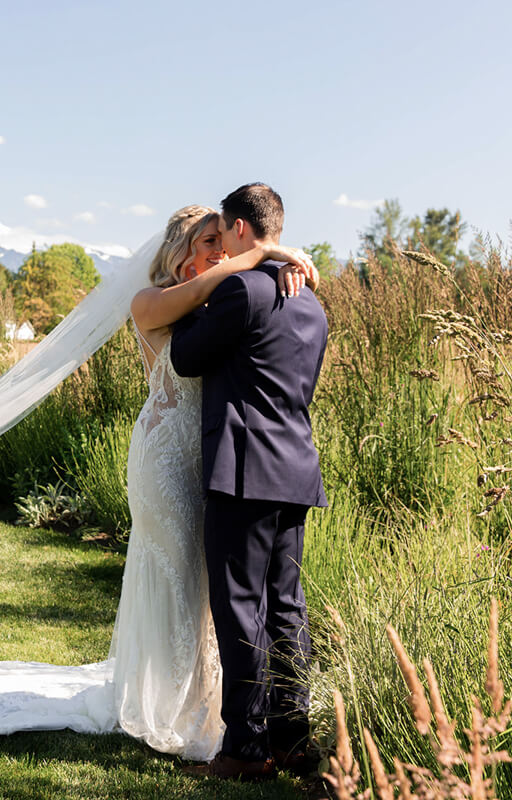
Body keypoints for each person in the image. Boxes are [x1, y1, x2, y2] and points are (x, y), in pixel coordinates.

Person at [0, 204, 317, 762]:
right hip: (165, 459)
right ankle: (168, 705)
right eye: (205, 241)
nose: (216, 250)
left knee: (208, 586)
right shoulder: (152, 301)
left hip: (212, 456)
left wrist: (274, 269)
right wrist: (264, 253)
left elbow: (244, 317)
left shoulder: (223, 296)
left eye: (220, 240)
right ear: (179, 250)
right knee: (177, 570)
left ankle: (209, 701)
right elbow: (216, 293)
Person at [170, 184, 329, 781]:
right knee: (286, 607)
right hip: (295, 469)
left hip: (242, 471)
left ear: (239, 230)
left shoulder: (239, 289)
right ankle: (292, 739)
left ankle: (244, 748)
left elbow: (185, 355)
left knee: (239, 608)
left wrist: (207, 291)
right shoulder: (312, 302)